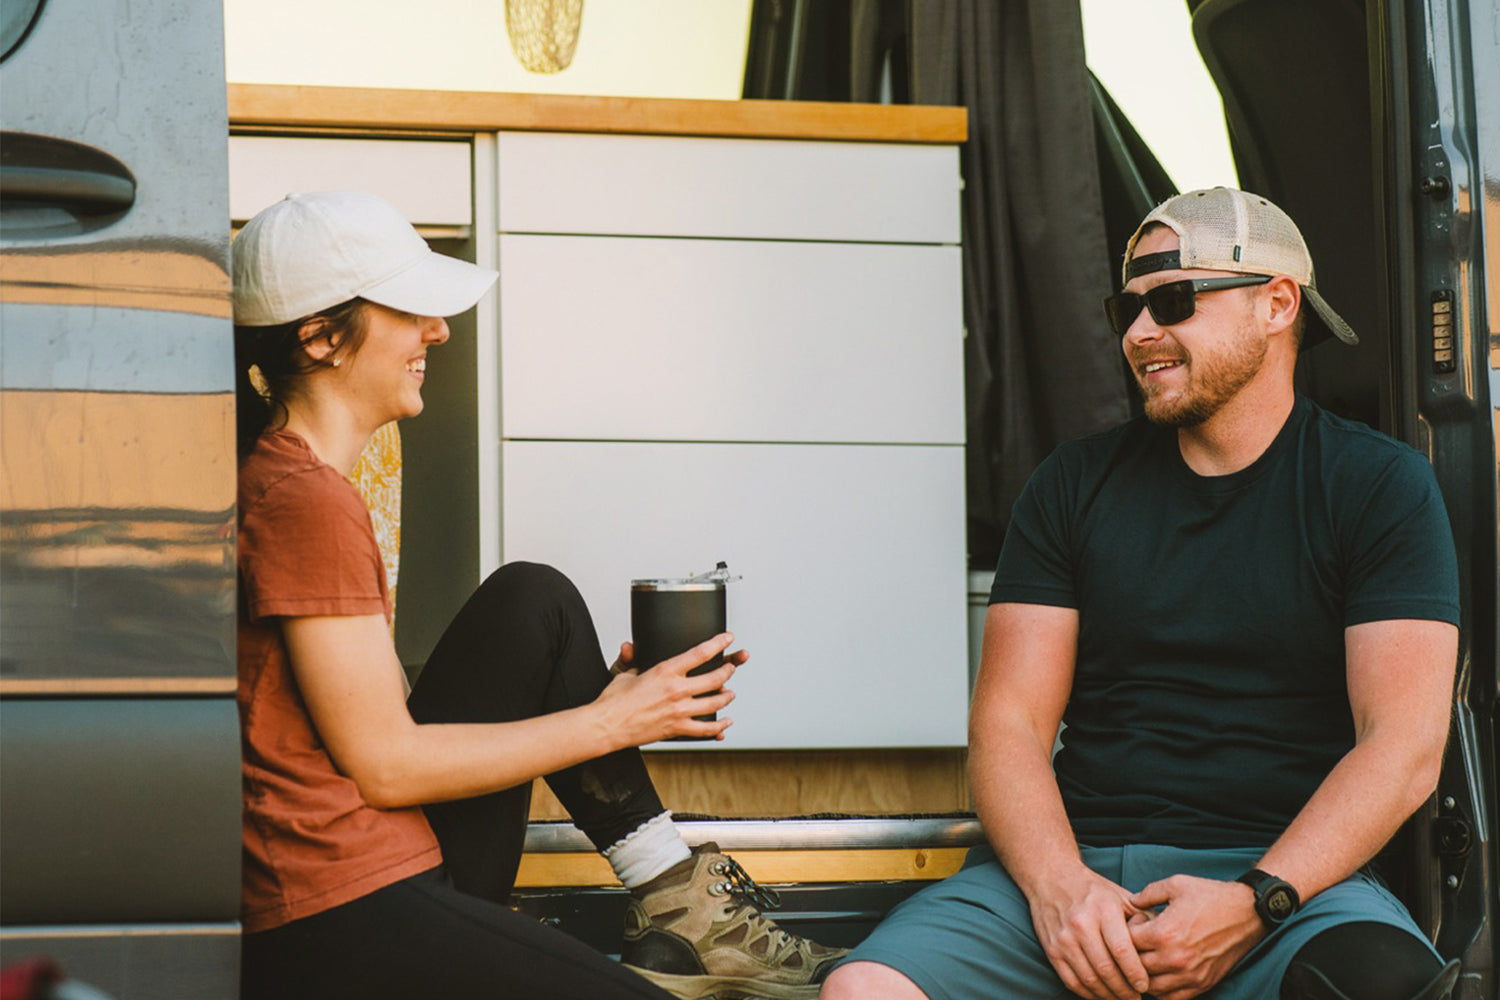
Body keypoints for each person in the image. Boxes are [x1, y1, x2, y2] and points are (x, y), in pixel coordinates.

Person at [821, 188, 1463, 1000]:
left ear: (1276, 305)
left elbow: (1402, 749)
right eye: (1127, 309)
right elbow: (1009, 725)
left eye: (1174, 300)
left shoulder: (1378, 486)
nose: (1139, 332)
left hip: (1288, 886)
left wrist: (1256, 901)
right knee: (864, 989)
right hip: (1077, 870)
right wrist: (1060, 891)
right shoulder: (1071, 485)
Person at [232, 190, 845, 1000]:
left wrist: (597, 702)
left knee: (534, 600)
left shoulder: (297, 483)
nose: (438, 331)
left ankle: (674, 896)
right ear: (319, 338)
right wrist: (614, 720)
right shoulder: (303, 500)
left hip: (382, 857)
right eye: (410, 310)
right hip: (335, 906)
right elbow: (385, 766)